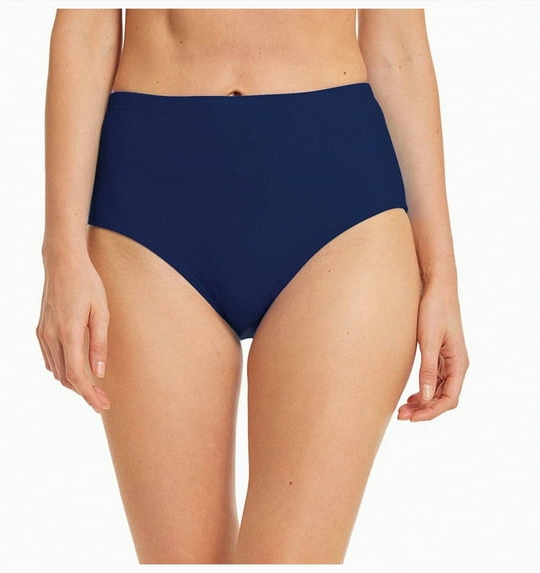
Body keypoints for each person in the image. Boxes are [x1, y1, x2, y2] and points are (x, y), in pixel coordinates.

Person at [36, 8, 469, 564]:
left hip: (340, 201)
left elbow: (399, 49)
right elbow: (85, 29)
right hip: (148, 200)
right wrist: (62, 254)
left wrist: (441, 276)